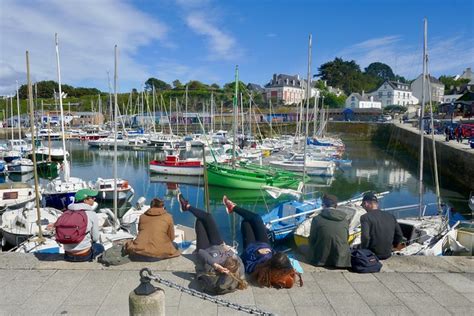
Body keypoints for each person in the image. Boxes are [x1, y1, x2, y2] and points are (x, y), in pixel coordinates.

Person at [222, 196, 302, 289]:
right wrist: (270, 251)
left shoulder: (259, 270)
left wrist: (257, 253)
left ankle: (232, 207)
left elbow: (245, 259)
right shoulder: (282, 267)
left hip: (251, 249)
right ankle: (233, 207)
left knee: (246, 222)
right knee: (256, 218)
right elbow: (277, 257)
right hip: (264, 245)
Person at [178, 194, 247, 294]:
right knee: (208, 217)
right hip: (219, 245)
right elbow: (238, 259)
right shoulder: (239, 269)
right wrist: (227, 249)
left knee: (200, 221)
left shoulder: (214, 271)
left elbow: (201, 252)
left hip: (205, 248)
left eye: (229, 259)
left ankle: (186, 206)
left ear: (224, 267)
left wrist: (215, 265)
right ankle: (187, 207)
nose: (232, 257)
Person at [57, 189, 104, 262]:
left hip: (68, 255)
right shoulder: (91, 214)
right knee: (100, 247)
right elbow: (95, 238)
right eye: (92, 197)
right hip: (84, 255)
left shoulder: (65, 213)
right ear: (85, 200)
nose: (94, 199)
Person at [306, 194, 351, 268]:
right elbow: (347, 237)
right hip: (341, 260)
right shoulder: (345, 220)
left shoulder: (317, 219)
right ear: (336, 206)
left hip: (320, 260)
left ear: (323, 205)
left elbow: (312, 239)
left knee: (302, 247)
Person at [360, 192, 403, 260]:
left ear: (366, 203)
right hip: (388, 254)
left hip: (372, 254)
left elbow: (365, 237)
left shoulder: (365, 217)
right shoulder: (391, 216)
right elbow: (399, 235)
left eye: (363, 205)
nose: (363, 207)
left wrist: (363, 250)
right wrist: (394, 246)